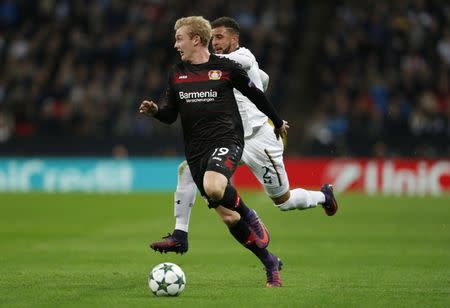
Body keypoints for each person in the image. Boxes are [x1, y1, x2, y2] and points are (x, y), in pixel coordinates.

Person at [150, 16, 338, 256]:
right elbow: (264, 79)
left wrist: (197, 51)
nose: (214, 43)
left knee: (284, 201)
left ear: (234, 39)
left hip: (259, 140)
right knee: (186, 171)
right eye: (212, 37)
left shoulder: (242, 57)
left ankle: (323, 195)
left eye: (219, 37)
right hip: (229, 139)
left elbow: (213, 63)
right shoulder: (227, 65)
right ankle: (180, 234)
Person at [139, 16, 287, 288]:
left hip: (227, 140)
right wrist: (156, 112)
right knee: (229, 217)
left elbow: (257, 93)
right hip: (197, 150)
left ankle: (250, 215)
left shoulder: (226, 68)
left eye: (179, 38)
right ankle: (269, 262)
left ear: (196, 39)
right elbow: (171, 115)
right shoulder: (177, 73)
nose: (175, 45)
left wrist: (277, 121)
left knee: (215, 186)